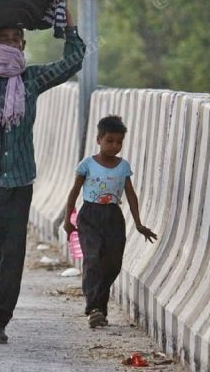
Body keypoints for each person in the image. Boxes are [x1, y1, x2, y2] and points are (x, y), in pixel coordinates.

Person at [0, 0, 86, 343]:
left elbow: (73, 62)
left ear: (23, 47)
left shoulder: (32, 80)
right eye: (3, 39)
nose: (10, 45)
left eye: (16, 40)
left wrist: (66, 22)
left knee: (12, 258)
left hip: (19, 183)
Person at [64, 115, 158, 328]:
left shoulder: (123, 166)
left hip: (114, 217)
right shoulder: (87, 164)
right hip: (90, 216)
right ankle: (93, 308)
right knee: (93, 259)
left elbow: (131, 194)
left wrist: (139, 223)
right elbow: (75, 191)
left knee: (112, 265)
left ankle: (100, 309)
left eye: (119, 142)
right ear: (98, 140)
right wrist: (68, 218)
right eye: (109, 140)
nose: (114, 146)